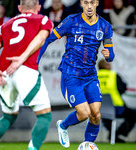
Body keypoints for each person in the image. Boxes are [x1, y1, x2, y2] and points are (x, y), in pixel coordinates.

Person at [38, 0, 115, 148]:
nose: (89, 6)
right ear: (81, 4)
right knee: (84, 113)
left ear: (97, 3)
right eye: (86, 2)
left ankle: (87, 145)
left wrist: (108, 55)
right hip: (71, 75)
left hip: (91, 75)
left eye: (92, 2)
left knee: (96, 114)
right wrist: (36, 62)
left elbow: (110, 54)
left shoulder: (105, 26)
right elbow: (48, 40)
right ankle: (63, 126)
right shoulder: (71, 21)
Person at [0, 0, 53, 150]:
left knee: (8, 116)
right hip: (25, 70)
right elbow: (40, 38)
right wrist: (22, 58)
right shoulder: (43, 19)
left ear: (20, 8)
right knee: (45, 116)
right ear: (38, 8)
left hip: (5, 74)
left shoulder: (5, 25)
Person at [97, 59, 136, 142]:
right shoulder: (113, 75)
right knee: (134, 114)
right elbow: (122, 88)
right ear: (107, 66)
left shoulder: (94, 77)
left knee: (106, 118)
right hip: (116, 108)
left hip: (98, 109)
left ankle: (113, 135)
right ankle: (117, 133)